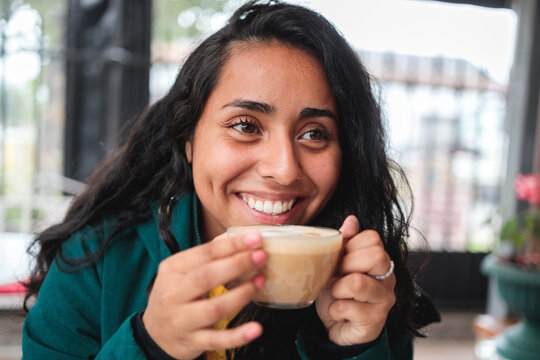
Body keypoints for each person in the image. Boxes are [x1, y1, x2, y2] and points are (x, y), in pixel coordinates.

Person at [22, 1, 439, 359]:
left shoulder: (369, 284)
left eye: (314, 133)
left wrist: (351, 348)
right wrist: (149, 344)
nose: (284, 169)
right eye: (245, 125)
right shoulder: (95, 260)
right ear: (188, 139)